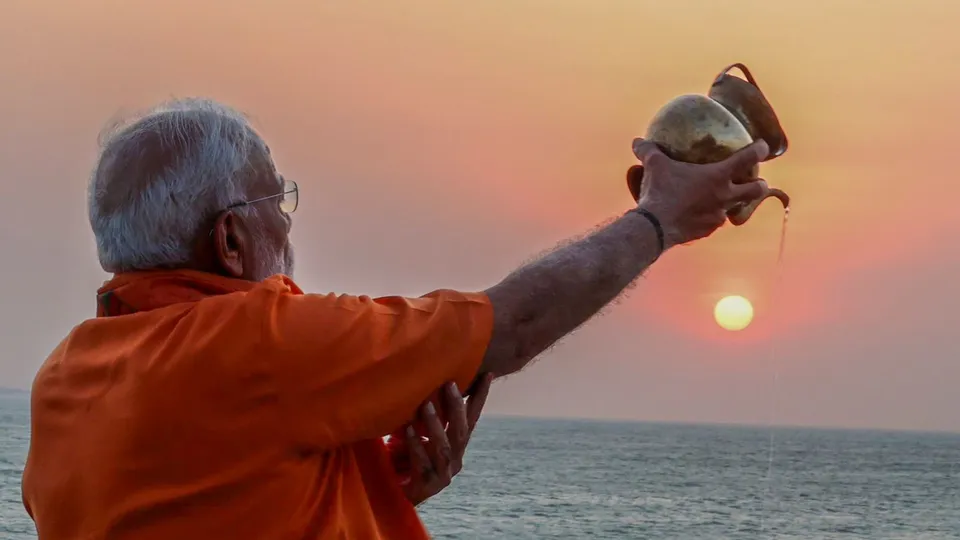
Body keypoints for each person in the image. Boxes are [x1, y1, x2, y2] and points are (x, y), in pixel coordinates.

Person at [21, 98, 772, 539]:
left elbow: (199, 501)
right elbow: (507, 327)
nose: (289, 224)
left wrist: (374, 483)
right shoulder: (258, 341)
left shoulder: (66, 379)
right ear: (230, 239)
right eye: (275, 201)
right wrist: (661, 219)